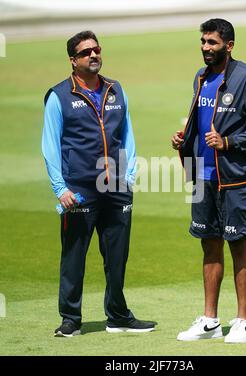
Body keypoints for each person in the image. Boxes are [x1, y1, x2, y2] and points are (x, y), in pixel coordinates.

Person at [42, 30, 155, 337]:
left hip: (117, 188)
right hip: (79, 190)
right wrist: (60, 188)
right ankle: (70, 319)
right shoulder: (58, 96)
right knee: (74, 257)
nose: (93, 55)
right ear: (73, 60)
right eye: (85, 52)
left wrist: (130, 175)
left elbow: (128, 134)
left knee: (117, 257)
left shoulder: (116, 89)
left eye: (96, 49)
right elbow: (50, 145)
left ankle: (118, 315)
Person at [172, 19, 246, 343]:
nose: (205, 48)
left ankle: (243, 321)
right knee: (209, 242)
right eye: (203, 41)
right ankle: (210, 320)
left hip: (234, 178)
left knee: (237, 241)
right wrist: (184, 139)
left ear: (229, 45)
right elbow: (202, 120)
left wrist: (229, 143)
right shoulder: (200, 77)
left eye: (212, 43)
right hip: (203, 174)